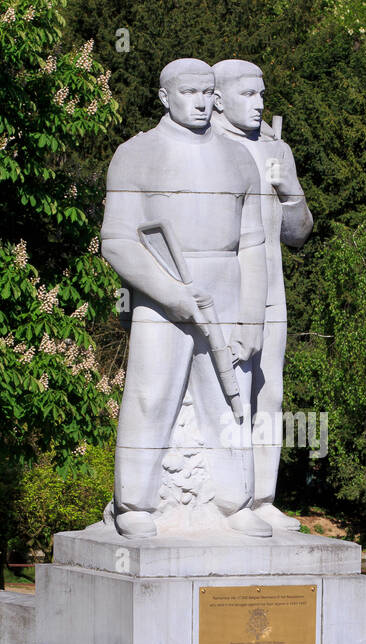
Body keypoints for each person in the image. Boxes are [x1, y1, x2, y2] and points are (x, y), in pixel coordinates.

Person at [99, 58, 270, 538]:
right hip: (164, 290)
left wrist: (252, 318)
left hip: (228, 292)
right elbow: (117, 240)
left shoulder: (239, 159)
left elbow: (253, 243)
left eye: (206, 92)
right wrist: (171, 295)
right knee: (152, 395)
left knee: (230, 400)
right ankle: (135, 502)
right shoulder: (136, 154)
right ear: (164, 97)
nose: (199, 101)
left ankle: (236, 502)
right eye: (189, 92)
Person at [212, 59, 314, 532]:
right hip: (226, 294)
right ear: (218, 98)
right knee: (230, 393)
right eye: (248, 95)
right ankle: (224, 500)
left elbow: (299, 234)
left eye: (261, 94)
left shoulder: (277, 149)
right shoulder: (204, 146)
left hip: (272, 289)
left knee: (269, 396)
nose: (259, 104)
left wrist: (290, 191)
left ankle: (262, 498)